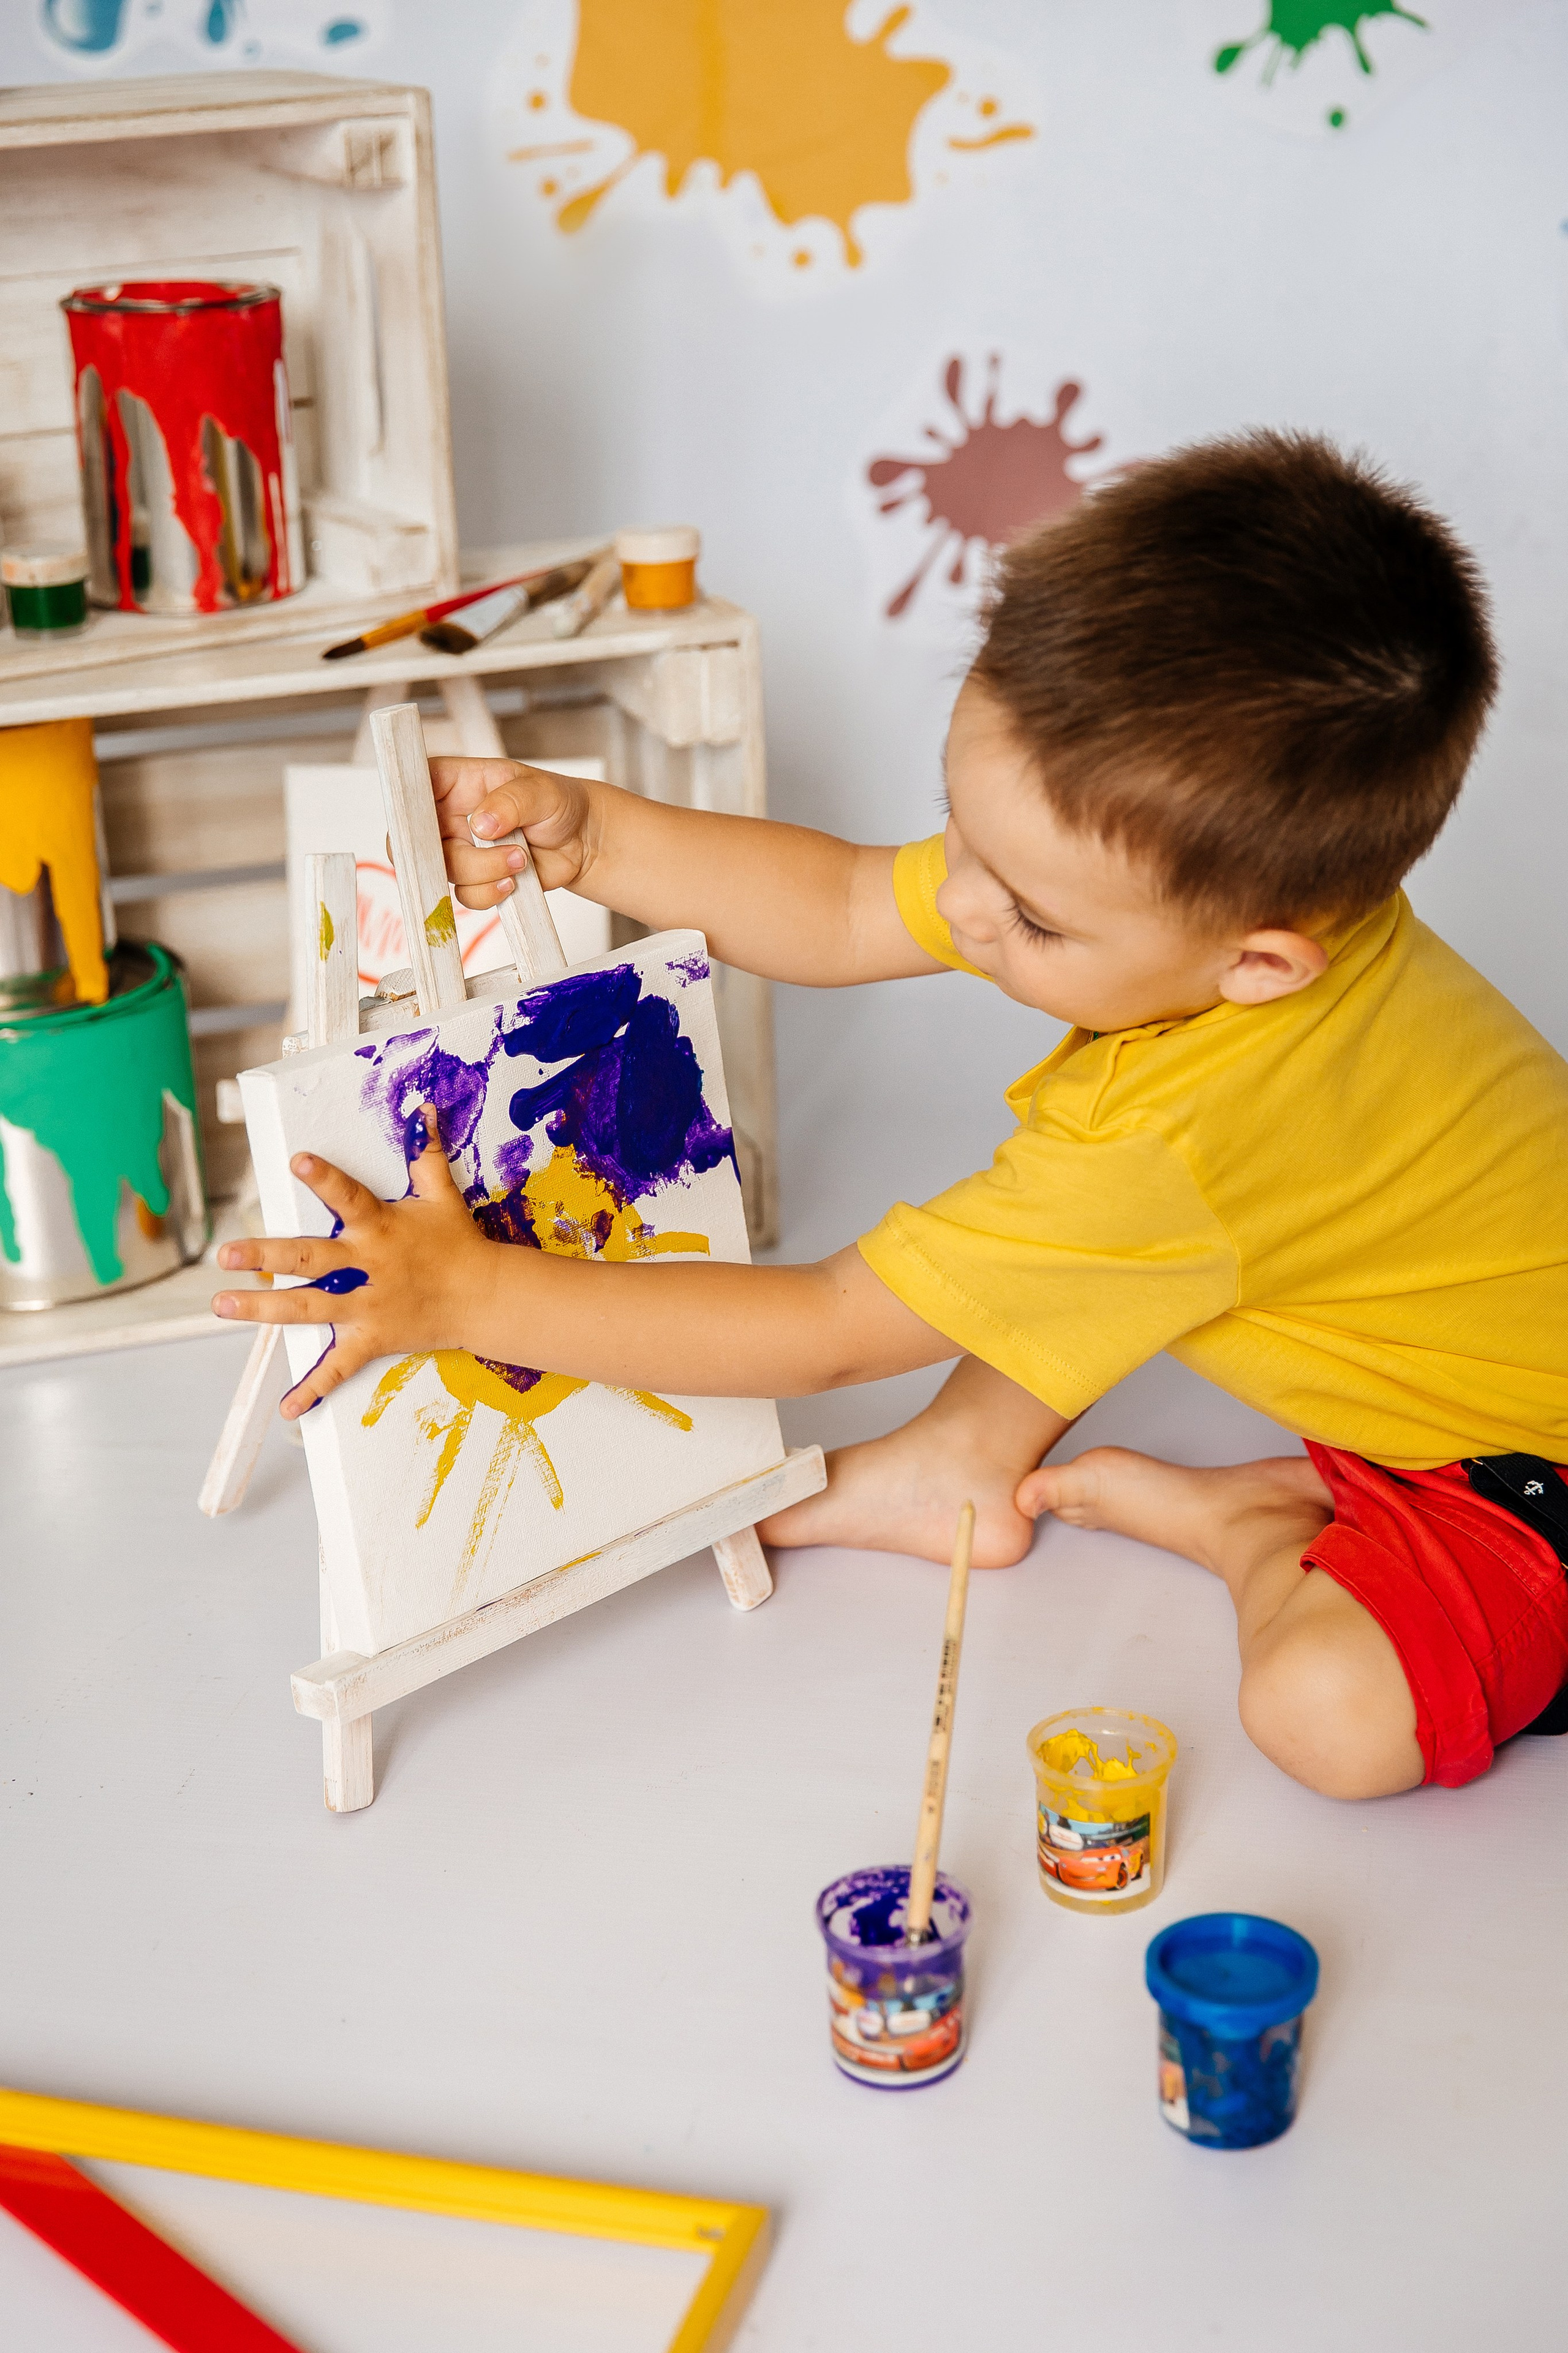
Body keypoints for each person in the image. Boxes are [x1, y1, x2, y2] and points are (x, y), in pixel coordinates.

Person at [214, 430, 1568, 1803]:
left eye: (1029, 915)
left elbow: (820, 1328)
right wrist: (594, 840)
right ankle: (957, 1461)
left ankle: (1256, 1524)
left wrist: (470, 1296)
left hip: (1525, 1472)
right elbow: (855, 900)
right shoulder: (1233, 901)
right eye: (959, 833)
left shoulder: (1183, 1145)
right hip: (1409, 1323)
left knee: (1327, 1713)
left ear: (1259, 961)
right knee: (1069, 1242)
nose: (966, 908)